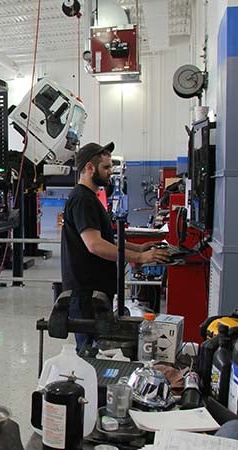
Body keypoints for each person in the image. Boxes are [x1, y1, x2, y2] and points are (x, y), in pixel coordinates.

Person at [61, 142, 170, 350]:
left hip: (95, 291)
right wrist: (139, 259)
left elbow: (105, 239)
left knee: (96, 350)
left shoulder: (90, 198)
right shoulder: (82, 199)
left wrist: (139, 248)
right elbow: (94, 245)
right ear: (90, 168)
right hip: (85, 293)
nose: (110, 172)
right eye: (106, 167)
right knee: (88, 352)